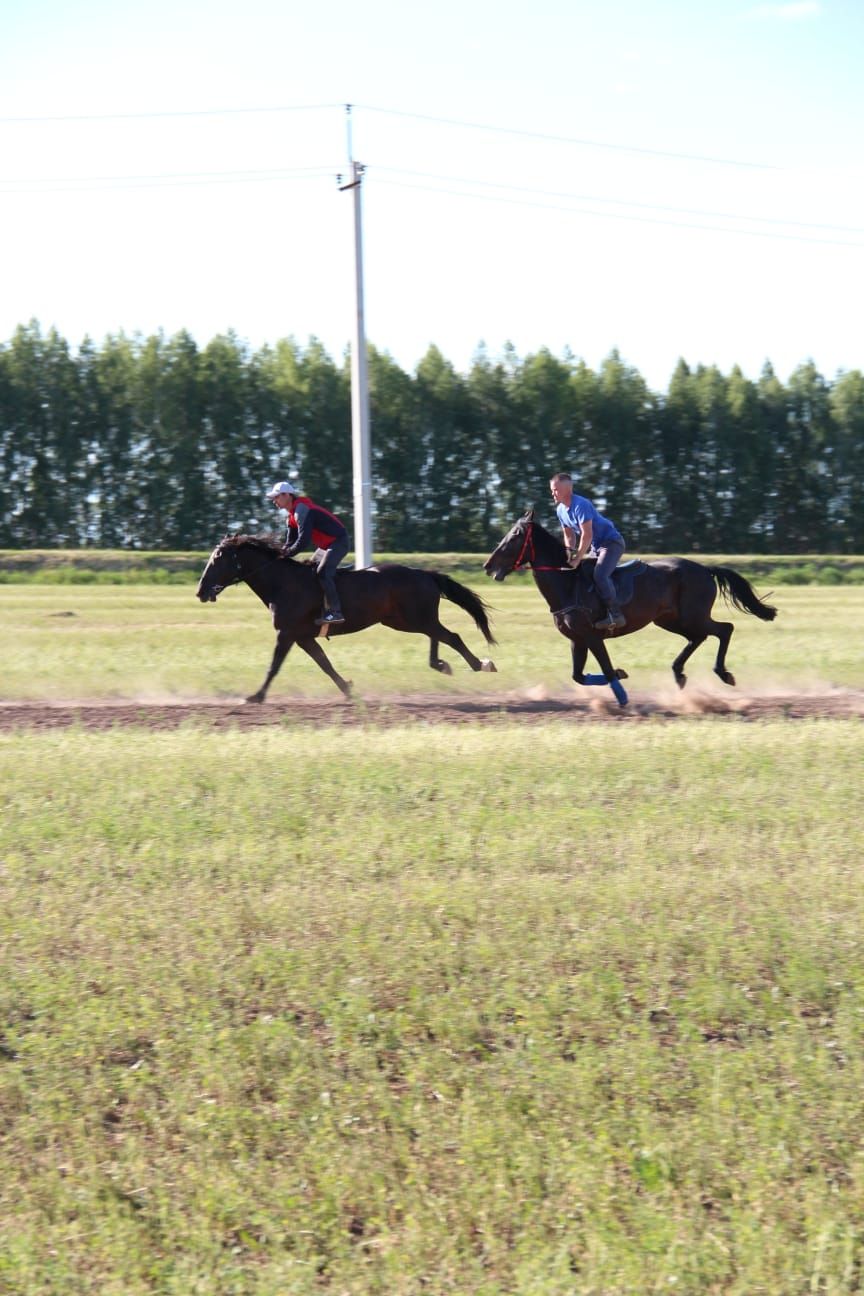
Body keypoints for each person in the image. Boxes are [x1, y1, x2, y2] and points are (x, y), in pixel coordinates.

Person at [549, 472, 626, 630]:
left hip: (611, 543)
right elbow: (569, 535)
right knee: (582, 574)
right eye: (552, 489)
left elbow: (587, 535)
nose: (553, 493)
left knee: (600, 575)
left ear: (567, 489)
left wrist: (578, 558)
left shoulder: (581, 504)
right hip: (595, 547)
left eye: (556, 489)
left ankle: (616, 615)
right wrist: (569, 552)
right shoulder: (560, 510)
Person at [265, 480, 349, 625]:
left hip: (339, 542)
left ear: (287, 495)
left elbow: (303, 541)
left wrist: (287, 554)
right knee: (310, 572)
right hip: (326, 546)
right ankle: (319, 607)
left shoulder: (301, 511)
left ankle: (336, 612)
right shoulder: (291, 516)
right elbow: (290, 543)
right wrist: (280, 554)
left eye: (276, 497)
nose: (274, 501)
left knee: (322, 572)